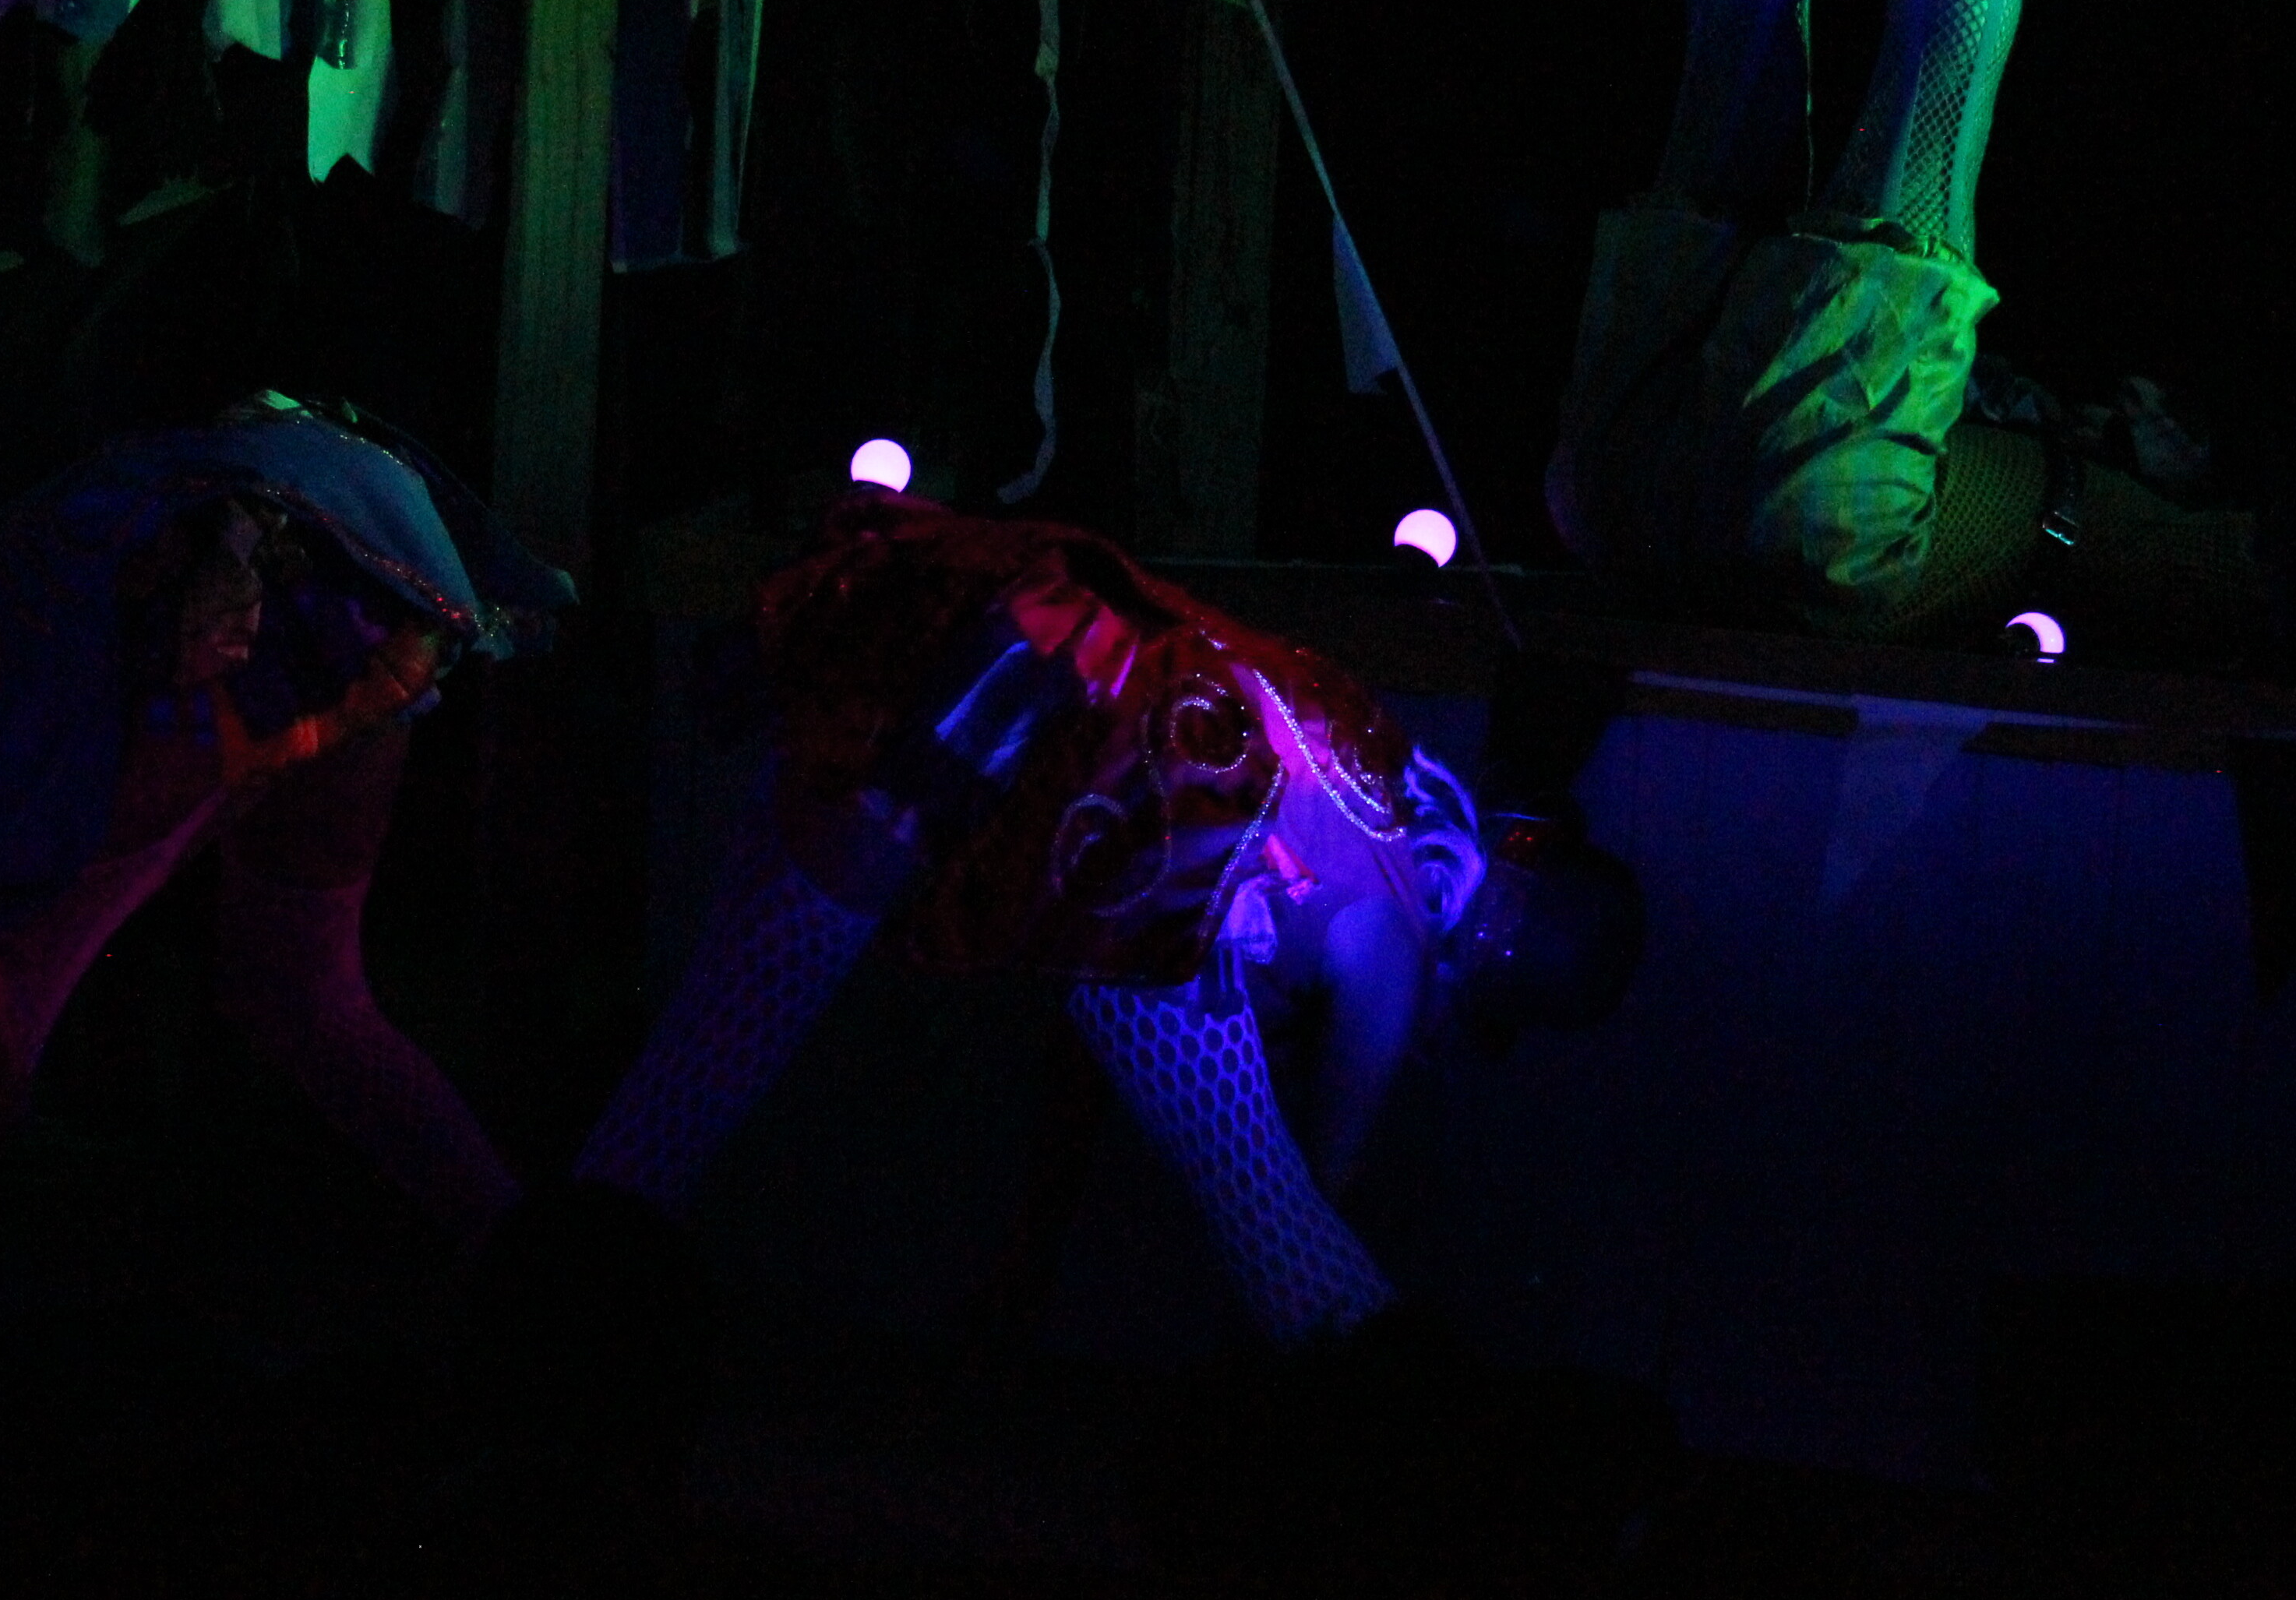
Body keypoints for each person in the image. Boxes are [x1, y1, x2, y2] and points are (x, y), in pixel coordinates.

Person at [556, 488, 1637, 1351]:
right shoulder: (1391, 941)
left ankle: (548, 1321)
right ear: (1495, 962)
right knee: (1275, 1216)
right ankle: (1390, 1446)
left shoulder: (1374, 765)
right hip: (1028, 728)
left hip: (1011, 657)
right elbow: (1323, 1189)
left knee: (699, 1069)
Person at [1547, 0, 2275, 647]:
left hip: (1811, 525)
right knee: (1727, 77)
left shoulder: (2175, 538)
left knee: (1927, 108)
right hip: (1607, 512)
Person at [0, 392, 572, 1240]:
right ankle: (513, 1248)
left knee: (51, 1004)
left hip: (290, 554)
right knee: (294, 987)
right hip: (330, 522)